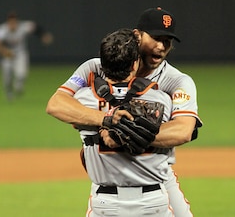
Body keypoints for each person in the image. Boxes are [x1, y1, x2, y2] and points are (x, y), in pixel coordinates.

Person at [46, 7, 202, 216]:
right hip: (108, 181)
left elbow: (183, 131)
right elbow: (56, 104)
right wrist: (108, 120)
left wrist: (123, 134)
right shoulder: (95, 67)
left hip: (159, 178)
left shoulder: (176, 81)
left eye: (167, 41)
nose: (161, 46)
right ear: (137, 35)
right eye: (156, 38)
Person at [74, 28, 173, 216]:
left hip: (105, 204)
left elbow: (66, 113)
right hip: (153, 202)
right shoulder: (162, 101)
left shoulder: (82, 100)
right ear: (135, 63)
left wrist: (105, 120)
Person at [0, 11, 53, 101]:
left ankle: (18, 86)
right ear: (8, 22)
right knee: (7, 78)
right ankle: (9, 93)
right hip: (6, 56)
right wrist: (4, 51)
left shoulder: (23, 26)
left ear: (17, 22)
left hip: (20, 54)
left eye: (14, 22)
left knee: (22, 73)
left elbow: (36, 28)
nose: (13, 24)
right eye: (11, 22)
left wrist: (44, 35)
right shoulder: (1, 29)